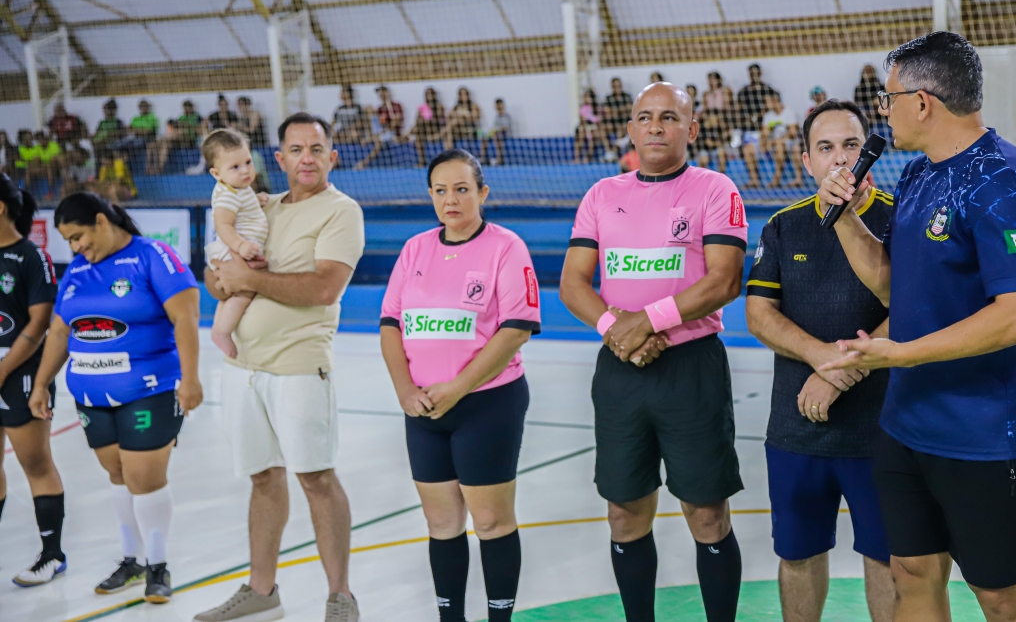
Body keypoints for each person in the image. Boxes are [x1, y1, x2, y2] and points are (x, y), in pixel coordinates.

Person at [817, 31, 1016, 622]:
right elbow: (896, 287)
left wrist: (902, 354)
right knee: (912, 573)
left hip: (986, 432)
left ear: (922, 102)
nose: (883, 111)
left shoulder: (1003, 181)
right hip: (907, 423)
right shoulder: (920, 175)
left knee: (1000, 599)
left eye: (888, 97)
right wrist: (843, 218)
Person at [560, 82, 748, 622]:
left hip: (691, 368)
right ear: (630, 130)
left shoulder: (714, 189)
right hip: (620, 368)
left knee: (707, 515)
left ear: (692, 128)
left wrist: (645, 322)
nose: (656, 126)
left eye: (669, 116)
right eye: (644, 117)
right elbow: (573, 283)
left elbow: (724, 280)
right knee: (624, 514)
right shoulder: (601, 194)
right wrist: (615, 330)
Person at [198, 113, 364, 622]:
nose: (306, 158)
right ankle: (262, 590)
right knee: (263, 478)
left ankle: (340, 597)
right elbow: (214, 276)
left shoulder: (341, 211)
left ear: (332, 156)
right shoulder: (260, 205)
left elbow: (323, 288)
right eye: (296, 149)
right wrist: (220, 278)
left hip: (299, 366)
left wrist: (246, 278)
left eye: (316, 148)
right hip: (243, 369)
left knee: (316, 478)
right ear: (280, 158)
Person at [745, 100, 896, 622]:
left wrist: (839, 374)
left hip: (883, 429)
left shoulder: (902, 216)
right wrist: (823, 360)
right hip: (798, 427)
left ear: (869, 153)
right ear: (807, 161)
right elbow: (759, 315)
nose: (840, 159)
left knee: (888, 559)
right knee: (798, 554)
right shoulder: (783, 227)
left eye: (851, 145)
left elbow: (914, 310)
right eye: (826, 148)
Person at [380, 149, 540, 622]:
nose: (451, 199)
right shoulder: (415, 249)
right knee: (442, 521)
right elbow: (391, 325)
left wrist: (458, 387)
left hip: (487, 404)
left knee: (490, 521)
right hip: (424, 410)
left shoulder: (506, 247)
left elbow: (516, 329)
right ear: (430, 195)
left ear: (482, 192)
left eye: (462, 189)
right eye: (441, 190)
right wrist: (405, 390)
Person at [31, 192, 201, 603]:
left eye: (78, 236)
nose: (75, 247)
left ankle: (157, 565)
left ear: (102, 221)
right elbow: (60, 331)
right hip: (92, 397)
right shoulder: (77, 270)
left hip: (149, 389)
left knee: (144, 478)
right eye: (68, 241)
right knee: (119, 475)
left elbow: (186, 316)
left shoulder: (152, 256)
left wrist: (191, 379)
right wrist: (41, 383)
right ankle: (132, 560)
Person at [0, 177, 65, 587]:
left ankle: (52, 555)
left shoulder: (30, 257)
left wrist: (4, 369)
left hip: (21, 375)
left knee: (35, 463)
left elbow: (41, 322)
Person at [202, 129, 269, 359]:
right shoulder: (228, 195)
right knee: (245, 291)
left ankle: (218, 328)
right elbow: (223, 225)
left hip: (233, 249)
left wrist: (255, 201)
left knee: (233, 295)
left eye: (248, 162)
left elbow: (241, 208)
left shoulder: (236, 189)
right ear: (216, 173)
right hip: (233, 251)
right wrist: (240, 246)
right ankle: (222, 331)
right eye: (235, 167)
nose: (245, 171)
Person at [742, 91, 802, 188]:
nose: (765, 104)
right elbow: (764, 134)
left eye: (766, 101)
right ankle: (754, 180)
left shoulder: (790, 113)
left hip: (787, 143)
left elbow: (792, 133)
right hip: (772, 143)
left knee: (779, 145)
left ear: (774, 101)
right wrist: (763, 143)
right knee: (748, 148)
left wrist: (773, 142)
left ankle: (776, 180)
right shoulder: (768, 116)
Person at [736, 64, 776, 187]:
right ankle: (754, 179)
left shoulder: (767, 89)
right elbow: (738, 109)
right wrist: (746, 119)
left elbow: (771, 107)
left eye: (755, 72)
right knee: (745, 150)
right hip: (748, 129)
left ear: (760, 73)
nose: (753, 75)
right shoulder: (744, 91)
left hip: (764, 130)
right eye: (751, 72)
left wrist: (758, 116)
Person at [407, 87, 446, 168]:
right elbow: (417, 120)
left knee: (422, 123)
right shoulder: (422, 107)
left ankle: (406, 135)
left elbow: (440, 120)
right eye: (427, 94)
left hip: (436, 129)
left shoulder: (439, 106)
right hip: (424, 130)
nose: (429, 96)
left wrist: (429, 118)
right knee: (418, 132)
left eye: (431, 94)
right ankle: (422, 160)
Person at [440, 87, 482, 153]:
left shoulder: (473, 106)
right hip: (458, 130)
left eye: (464, 94)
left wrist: (464, 115)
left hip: (471, 129)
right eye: (461, 94)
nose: (463, 96)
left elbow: (476, 118)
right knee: (451, 127)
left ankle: (448, 148)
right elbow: (449, 117)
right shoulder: (456, 107)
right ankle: (448, 150)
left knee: (453, 124)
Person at [601, 77, 633, 161]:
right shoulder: (608, 98)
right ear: (612, 87)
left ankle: (614, 153)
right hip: (612, 123)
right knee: (602, 129)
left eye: (619, 85)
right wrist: (622, 110)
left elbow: (630, 109)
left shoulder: (626, 97)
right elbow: (607, 112)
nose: (617, 88)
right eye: (615, 86)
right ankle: (609, 152)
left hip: (624, 123)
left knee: (620, 129)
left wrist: (615, 111)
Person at [696, 108, 730, 174]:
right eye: (716, 119)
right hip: (704, 150)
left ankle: (721, 175)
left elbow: (723, 141)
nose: (717, 120)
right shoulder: (701, 128)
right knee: (704, 159)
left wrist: (725, 135)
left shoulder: (718, 128)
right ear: (710, 118)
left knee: (722, 153)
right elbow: (708, 143)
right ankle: (699, 177)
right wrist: (718, 143)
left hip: (715, 151)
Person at [854, 65, 886, 130]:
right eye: (866, 72)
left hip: (878, 114)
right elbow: (857, 104)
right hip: (865, 114)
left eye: (870, 71)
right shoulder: (858, 88)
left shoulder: (880, 87)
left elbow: (884, 104)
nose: (868, 74)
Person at [482, 97, 512, 165]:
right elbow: (494, 127)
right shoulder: (496, 117)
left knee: (497, 136)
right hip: (495, 134)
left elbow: (506, 128)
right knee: (484, 137)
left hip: (504, 134)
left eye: (499, 105)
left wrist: (497, 130)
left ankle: (499, 159)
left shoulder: (507, 116)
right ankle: (483, 158)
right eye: (497, 105)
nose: (498, 106)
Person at [575, 89, 601, 163]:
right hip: (585, 128)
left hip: (593, 128)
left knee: (591, 140)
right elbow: (582, 119)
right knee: (580, 137)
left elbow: (598, 120)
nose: (587, 99)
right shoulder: (583, 108)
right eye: (585, 97)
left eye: (588, 97)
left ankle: (587, 157)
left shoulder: (596, 108)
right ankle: (577, 158)